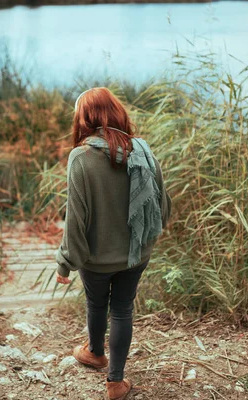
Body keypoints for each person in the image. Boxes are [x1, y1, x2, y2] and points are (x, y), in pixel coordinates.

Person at [55, 87, 171, 400]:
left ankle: (94, 352)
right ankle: (116, 383)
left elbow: (75, 218)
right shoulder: (144, 152)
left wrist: (65, 261)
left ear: (86, 119)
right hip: (135, 255)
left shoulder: (81, 158)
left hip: (96, 259)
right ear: (116, 113)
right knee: (122, 309)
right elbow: (163, 208)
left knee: (96, 303)